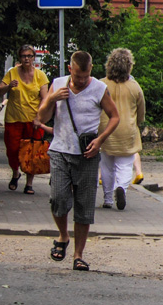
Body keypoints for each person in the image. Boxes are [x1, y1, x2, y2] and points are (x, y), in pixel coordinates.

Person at [37, 50, 120, 272]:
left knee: (84, 205)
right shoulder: (58, 84)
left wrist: (100, 140)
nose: (81, 81)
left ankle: (78, 255)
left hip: (87, 155)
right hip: (60, 151)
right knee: (58, 199)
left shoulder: (99, 89)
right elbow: (41, 117)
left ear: (90, 70)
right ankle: (63, 236)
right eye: (76, 76)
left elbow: (115, 116)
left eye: (84, 76)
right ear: (70, 69)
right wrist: (52, 99)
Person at [0, 44, 50, 194]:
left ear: (33, 58)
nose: (27, 58)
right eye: (24, 56)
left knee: (32, 152)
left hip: (33, 121)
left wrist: (39, 117)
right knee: (12, 151)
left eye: (29, 56)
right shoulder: (12, 73)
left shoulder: (40, 75)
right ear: (19, 57)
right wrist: (8, 87)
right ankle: (15, 173)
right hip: (14, 119)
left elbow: (45, 99)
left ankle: (29, 183)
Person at [98, 48, 145, 211]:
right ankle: (122, 188)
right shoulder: (134, 87)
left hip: (105, 130)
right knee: (125, 165)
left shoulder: (101, 84)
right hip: (127, 131)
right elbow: (141, 112)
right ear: (129, 66)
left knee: (106, 165)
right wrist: (137, 123)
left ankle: (107, 199)